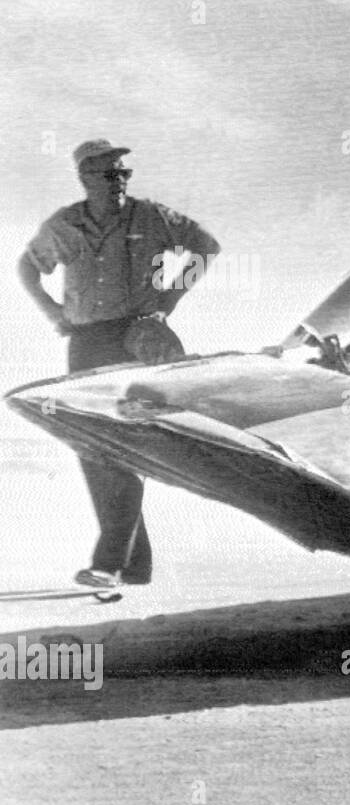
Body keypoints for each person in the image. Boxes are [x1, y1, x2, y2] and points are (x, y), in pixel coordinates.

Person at [16, 139, 221, 589]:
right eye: (110, 175)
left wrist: (167, 301)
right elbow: (26, 268)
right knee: (91, 445)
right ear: (86, 178)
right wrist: (52, 313)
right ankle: (134, 563)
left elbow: (205, 246)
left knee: (124, 441)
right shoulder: (64, 224)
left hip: (141, 338)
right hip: (87, 341)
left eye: (125, 173)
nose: (120, 181)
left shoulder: (152, 216)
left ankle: (108, 563)